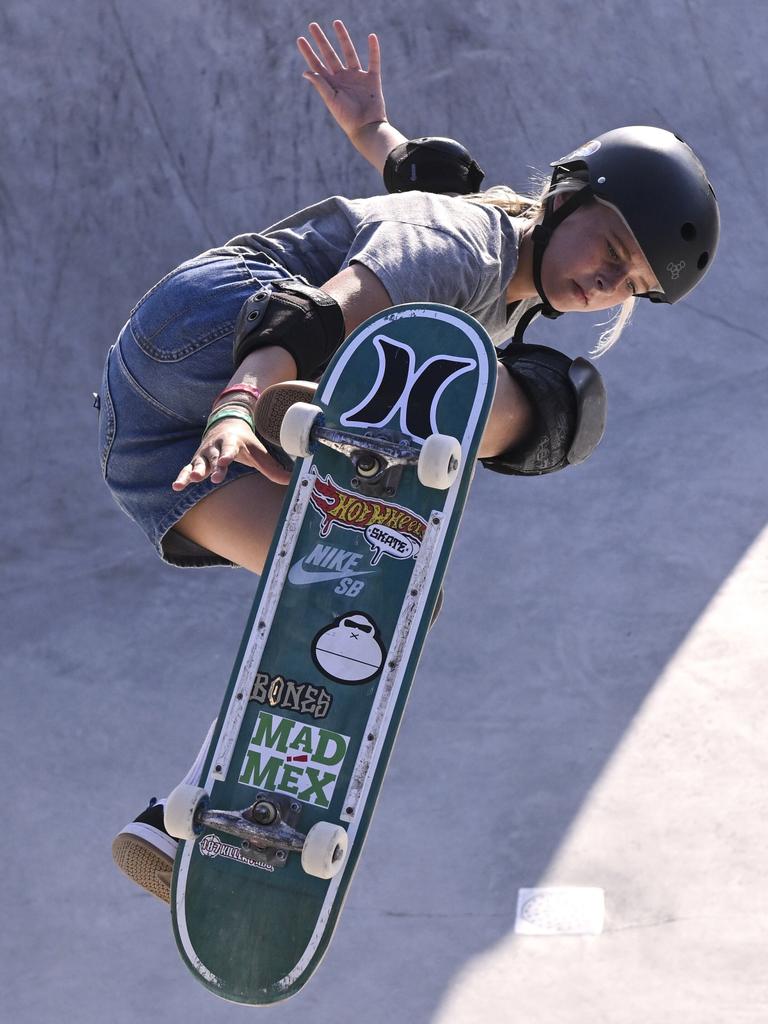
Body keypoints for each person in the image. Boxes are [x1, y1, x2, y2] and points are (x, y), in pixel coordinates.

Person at [106, 21, 720, 902]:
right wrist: (244, 402)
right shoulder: (467, 246)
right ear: (569, 196)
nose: (603, 284)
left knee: (370, 590)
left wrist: (372, 133)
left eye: (630, 286)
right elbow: (315, 313)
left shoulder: (489, 236)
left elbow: (423, 180)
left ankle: (185, 815)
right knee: (549, 398)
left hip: (145, 448)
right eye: (609, 252)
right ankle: (308, 419)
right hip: (209, 334)